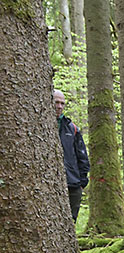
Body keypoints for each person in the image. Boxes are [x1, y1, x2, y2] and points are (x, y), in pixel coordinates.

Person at [53, 89, 90, 223]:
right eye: (56, 102)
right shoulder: (42, 125)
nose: (59, 106)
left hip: (73, 183)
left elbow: (82, 156)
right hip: (50, 184)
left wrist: (82, 181)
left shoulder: (71, 127)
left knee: (70, 222)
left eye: (62, 103)